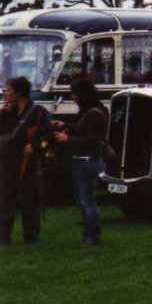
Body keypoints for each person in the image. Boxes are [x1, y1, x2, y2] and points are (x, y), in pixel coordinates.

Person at [52, 76, 107, 246]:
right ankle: (88, 236)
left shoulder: (93, 113)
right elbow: (81, 129)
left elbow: (90, 139)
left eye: (74, 93)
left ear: (82, 94)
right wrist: (65, 125)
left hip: (88, 160)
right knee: (85, 200)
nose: (72, 97)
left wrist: (67, 139)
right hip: (85, 160)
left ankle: (92, 237)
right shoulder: (92, 110)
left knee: (87, 201)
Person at [0, 76, 54, 245]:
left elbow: (48, 136)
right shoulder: (9, 111)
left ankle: (31, 237)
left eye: (9, 90)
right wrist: (3, 112)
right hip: (8, 161)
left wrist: (35, 146)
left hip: (28, 162)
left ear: (19, 92)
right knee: (6, 199)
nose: (6, 93)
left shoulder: (38, 112)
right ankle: (3, 236)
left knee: (29, 200)